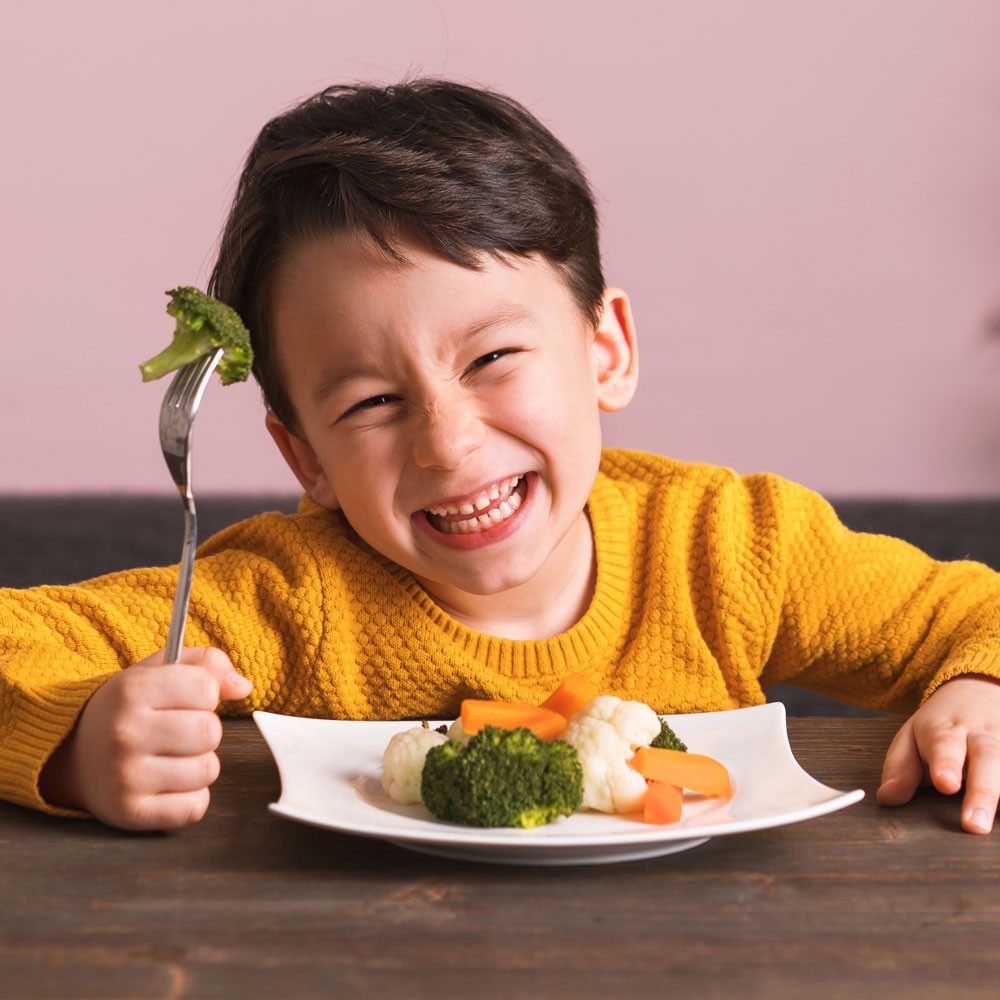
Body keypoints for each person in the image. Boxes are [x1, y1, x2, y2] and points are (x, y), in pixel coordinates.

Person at [2, 79, 998, 835]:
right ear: (302, 456)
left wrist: (978, 689)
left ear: (605, 350)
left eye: (491, 359)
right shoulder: (286, 598)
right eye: (373, 402)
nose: (449, 440)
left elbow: (973, 616)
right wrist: (78, 747)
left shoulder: (730, 547)